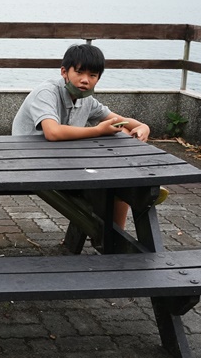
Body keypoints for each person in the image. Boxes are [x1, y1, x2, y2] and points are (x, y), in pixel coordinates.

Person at [12, 43, 158, 228]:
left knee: (124, 133)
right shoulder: (46, 92)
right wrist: (98, 130)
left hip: (60, 158)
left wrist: (143, 127)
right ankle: (136, 188)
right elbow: (53, 132)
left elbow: (118, 120)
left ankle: (115, 236)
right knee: (116, 184)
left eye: (92, 75)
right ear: (64, 72)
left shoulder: (86, 99)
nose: (85, 80)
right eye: (79, 73)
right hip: (30, 160)